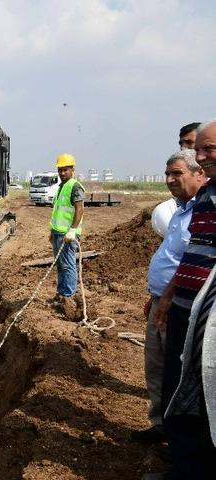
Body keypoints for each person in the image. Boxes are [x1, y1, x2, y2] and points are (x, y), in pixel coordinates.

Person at [155, 119, 216, 477]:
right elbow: (194, 253)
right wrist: (168, 296)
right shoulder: (206, 198)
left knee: (204, 396)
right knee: (180, 386)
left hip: (207, 320)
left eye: (209, 149)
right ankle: (184, 464)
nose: (202, 155)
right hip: (185, 311)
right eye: (199, 149)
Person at [134, 149, 204, 446]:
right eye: (167, 174)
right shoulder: (181, 210)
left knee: (177, 372)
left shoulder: (202, 213)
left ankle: (180, 441)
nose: (170, 179)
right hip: (161, 301)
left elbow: (192, 262)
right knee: (156, 366)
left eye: (177, 173)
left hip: (179, 305)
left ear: (199, 174)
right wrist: (156, 295)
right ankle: (161, 424)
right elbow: (172, 256)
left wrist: (166, 297)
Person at [48, 153, 84, 311]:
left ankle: (68, 297)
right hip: (57, 233)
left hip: (67, 235)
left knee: (68, 265)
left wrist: (73, 230)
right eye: (60, 170)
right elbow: (58, 211)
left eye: (65, 170)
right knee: (60, 265)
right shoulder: (61, 187)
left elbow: (79, 209)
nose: (62, 173)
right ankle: (61, 294)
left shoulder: (74, 186)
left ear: (72, 169)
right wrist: (52, 231)